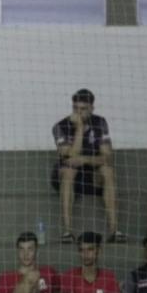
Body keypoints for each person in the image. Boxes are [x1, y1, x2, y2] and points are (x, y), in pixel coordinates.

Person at [51, 88, 122, 243]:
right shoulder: (59, 126)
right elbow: (69, 156)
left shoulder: (100, 122)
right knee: (69, 171)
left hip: (90, 175)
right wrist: (80, 128)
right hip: (68, 176)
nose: (79, 112)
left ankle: (114, 231)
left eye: (83, 109)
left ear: (92, 108)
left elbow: (107, 156)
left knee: (108, 171)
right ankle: (68, 231)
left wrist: (84, 159)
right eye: (75, 108)